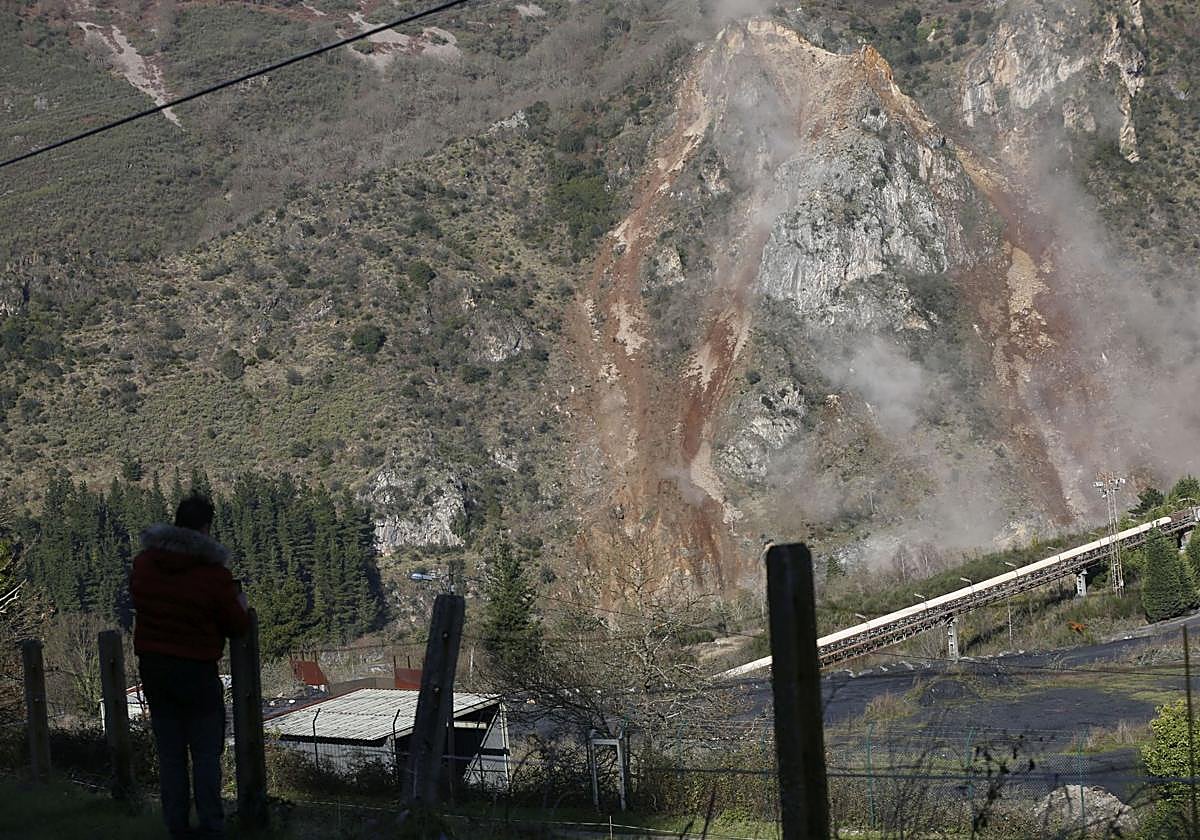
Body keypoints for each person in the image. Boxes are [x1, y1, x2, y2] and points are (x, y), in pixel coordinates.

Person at [130, 494, 250, 839]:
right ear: (206, 528)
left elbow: (138, 598)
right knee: (206, 753)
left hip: (155, 670)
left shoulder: (145, 564)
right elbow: (236, 625)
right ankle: (211, 824)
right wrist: (239, 604)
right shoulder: (213, 575)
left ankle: (176, 826)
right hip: (197, 671)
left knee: (170, 755)